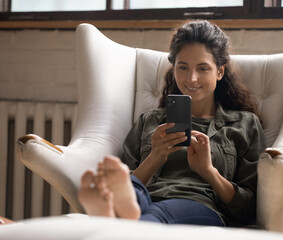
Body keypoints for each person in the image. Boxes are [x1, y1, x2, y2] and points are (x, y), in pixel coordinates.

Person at [78, 20, 266, 227]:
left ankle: (116, 216)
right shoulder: (150, 120)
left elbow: (248, 207)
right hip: (144, 198)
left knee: (157, 214)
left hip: (199, 205)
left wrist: (208, 171)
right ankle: (122, 211)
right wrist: (155, 157)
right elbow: (125, 179)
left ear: (220, 72)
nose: (191, 78)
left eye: (203, 69)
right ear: (173, 68)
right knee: (134, 195)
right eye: (183, 67)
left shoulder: (244, 125)